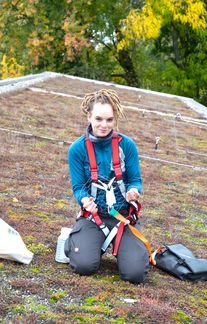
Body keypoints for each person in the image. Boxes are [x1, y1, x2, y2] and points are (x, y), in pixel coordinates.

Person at [65, 89, 150, 284]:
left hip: (122, 216)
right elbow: (78, 187)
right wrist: (85, 200)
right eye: (99, 119)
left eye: (109, 120)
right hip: (94, 217)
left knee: (135, 274)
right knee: (83, 266)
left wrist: (134, 191)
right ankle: (82, 242)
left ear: (115, 119)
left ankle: (129, 251)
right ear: (89, 116)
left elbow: (135, 180)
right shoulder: (77, 149)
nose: (104, 125)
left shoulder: (127, 146)